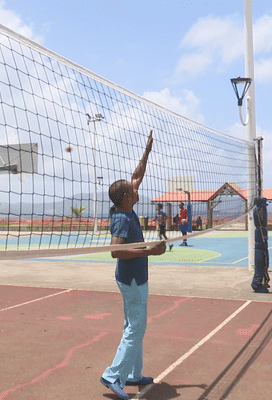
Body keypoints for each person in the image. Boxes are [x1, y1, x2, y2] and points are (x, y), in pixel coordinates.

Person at [100, 131, 167, 400]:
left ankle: (133, 374)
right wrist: (150, 250)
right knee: (135, 327)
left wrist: (147, 151)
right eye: (133, 188)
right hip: (131, 279)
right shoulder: (123, 220)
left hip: (135, 276)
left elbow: (137, 175)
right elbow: (116, 250)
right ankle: (113, 374)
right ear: (127, 197)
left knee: (136, 324)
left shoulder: (125, 208)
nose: (137, 187)